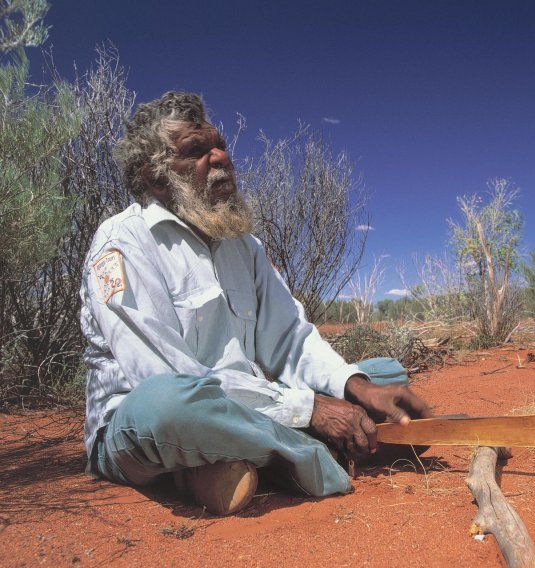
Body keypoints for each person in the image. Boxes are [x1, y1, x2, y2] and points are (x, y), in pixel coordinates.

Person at [81, 91, 431, 515]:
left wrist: (356, 388)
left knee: (383, 374)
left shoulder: (243, 245)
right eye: (196, 150)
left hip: (241, 406)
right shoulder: (122, 242)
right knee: (168, 403)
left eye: (221, 145)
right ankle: (301, 456)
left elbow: (290, 339)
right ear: (155, 178)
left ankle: (230, 463)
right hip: (145, 422)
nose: (220, 158)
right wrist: (311, 409)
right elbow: (163, 374)